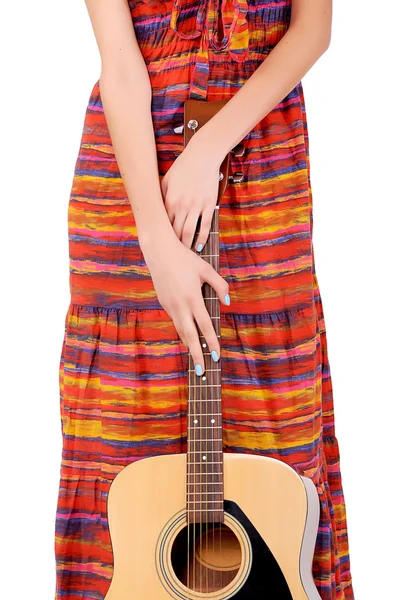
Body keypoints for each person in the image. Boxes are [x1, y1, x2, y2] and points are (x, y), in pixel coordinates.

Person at [54, 0, 355, 598]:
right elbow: (121, 66)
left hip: (260, 169)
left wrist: (206, 150)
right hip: (135, 180)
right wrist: (155, 242)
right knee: (121, 439)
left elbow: (312, 32)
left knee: (277, 444)